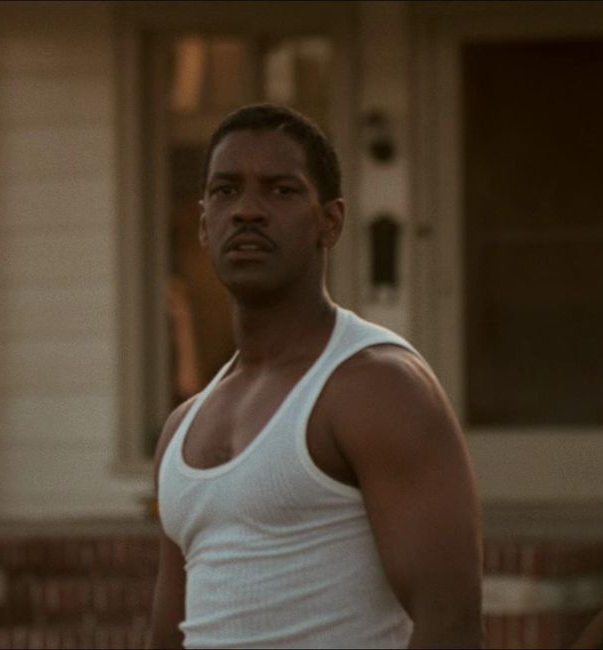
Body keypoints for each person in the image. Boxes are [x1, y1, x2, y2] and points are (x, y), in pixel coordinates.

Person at [149, 104, 482, 649]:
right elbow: (169, 636)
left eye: (280, 190)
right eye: (226, 191)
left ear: (330, 221)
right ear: (205, 223)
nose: (247, 211)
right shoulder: (181, 428)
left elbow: (452, 624)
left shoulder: (377, 387)